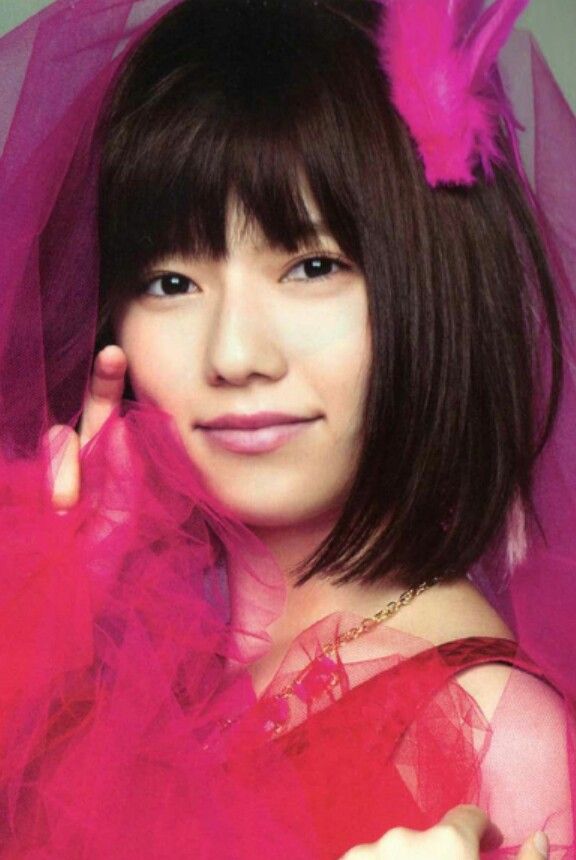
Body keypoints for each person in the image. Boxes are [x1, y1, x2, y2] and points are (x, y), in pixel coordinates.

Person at [0, 0, 574, 857]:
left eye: (311, 266)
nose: (235, 354)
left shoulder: (501, 737)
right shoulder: (133, 680)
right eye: (169, 282)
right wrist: (53, 613)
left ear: (435, 285)